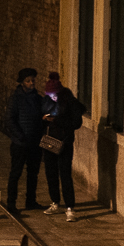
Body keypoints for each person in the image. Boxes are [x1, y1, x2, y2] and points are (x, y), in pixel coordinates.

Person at [41, 72, 86, 217]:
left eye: (53, 94)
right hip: (49, 142)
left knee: (65, 174)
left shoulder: (70, 102)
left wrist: (55, 120)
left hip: (64, 142)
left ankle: (69, 207)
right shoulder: (47, 100)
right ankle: (55, 202)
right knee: (51, 173)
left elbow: (76, 123)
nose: (51, 97)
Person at [5, 67, 48, 212]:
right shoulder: (15, 99)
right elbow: (10, 120)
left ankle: (31, 201)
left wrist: (44, 123)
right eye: (28, 81)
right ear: (22, 83)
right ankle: (11, 203)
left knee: (33, 174)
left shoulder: (38, 99)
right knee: (16, 173)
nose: (31, 83)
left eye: (32, 80)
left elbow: (42, 117)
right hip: (20, 143)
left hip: (35, 142)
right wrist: (20, 136)